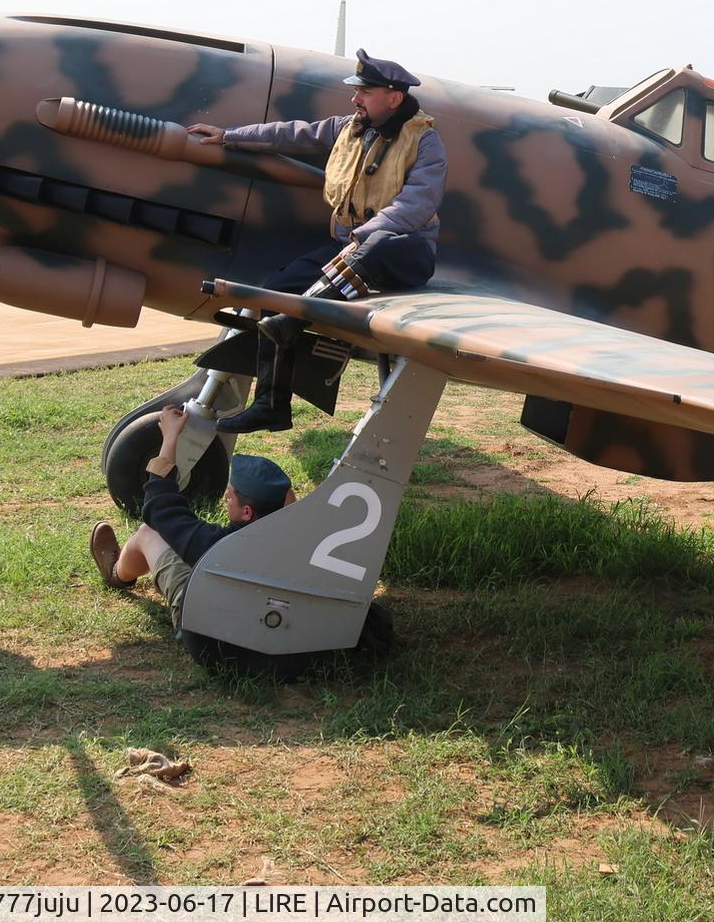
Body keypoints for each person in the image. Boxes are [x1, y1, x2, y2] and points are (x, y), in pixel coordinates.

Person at [185, 49, 447, 433]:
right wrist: (229, 137)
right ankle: (272, 404)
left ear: (394, 97)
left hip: (404, 253)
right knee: (275, 293)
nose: (355, 99)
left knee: (379, 245)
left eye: (365, 92)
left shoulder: (425, 141)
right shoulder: (349, 127)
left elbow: (416, 205)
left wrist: (359, 237)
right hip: (350, 254)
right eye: (357, 92)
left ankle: (293, 320)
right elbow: (293, 134)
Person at [87, 407, 293, 626]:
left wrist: (170, 437)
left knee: (149, 533)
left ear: (247, 512)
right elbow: (289, 499)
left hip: (208, 630)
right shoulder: (299, 538)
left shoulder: (217, 545)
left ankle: (117, 574)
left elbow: (159, 507)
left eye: (231, 496)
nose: (226, 496)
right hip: (272, 622)